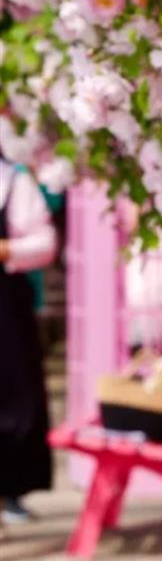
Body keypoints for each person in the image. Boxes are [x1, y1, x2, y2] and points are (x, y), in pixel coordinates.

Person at [0, 157, 57, 522]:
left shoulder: (13, 182)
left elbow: (46, 243)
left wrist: (7, 250)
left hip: (5, 308)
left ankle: (9, 490)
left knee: (12, 397)